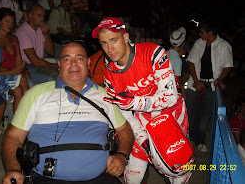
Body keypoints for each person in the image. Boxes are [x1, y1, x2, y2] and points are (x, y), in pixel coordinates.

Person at [1, 42, 134, 183]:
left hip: (99, 178)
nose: (74, 63)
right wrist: (13, 170)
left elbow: (125, 129)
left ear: (89, 63)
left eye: (79, 58)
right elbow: (13, 136)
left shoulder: (104, 96)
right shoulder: (35, 94)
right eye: (67, 59)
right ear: (59, 65)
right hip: (46, 178)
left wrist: (121, 155)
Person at [92, 17, 190, 184]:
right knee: (134, 175)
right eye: (104, 43)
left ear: (125, 37)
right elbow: (124, 113)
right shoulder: (109, 75)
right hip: (141, 122)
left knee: (178, 171)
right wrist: (141, 137)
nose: (109, 48)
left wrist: (133, 102)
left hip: (172, 119)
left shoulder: (153, 52)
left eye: (113, 40)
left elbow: (170, 97)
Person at [185, 20, 233, 152]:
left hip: (212, 85)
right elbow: (191, 63)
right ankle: (190, 139)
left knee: (204, 116)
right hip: (195, 83)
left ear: (210, 33)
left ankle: (200, 140)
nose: (199, 34)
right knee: (190, 113)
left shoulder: (223, 46)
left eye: (202, 32)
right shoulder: (198, 43)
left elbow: (228, 65)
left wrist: (220, 78)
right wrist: (196, 81)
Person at [0, 16, 27, 112]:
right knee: (22, 79)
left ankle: (17, 123)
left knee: (17, 90)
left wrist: (15, 72)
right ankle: (28, 113)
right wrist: (12, 72)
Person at [15, 4, 59, 87]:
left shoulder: (39, 29)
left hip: (38, 63)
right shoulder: (23, 32)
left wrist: (46, 34)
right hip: (27, 67)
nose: (42, 19)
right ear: (30, 15)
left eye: (43, 16)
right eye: (39, 16)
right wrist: (56, 66)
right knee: (55, 74)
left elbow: (51, 52)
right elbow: (35, 61)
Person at [0, 8, 30, 84]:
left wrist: (24, 70)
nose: (10, 25)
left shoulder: (14, 39)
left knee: (47, 79)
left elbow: (19, 62)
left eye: (12, 22)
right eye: (7, 21)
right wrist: (13, 72)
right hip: (3, 74)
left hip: (17, 72)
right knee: (26, 83)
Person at [167, 27, 189, 98]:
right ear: (183, 44)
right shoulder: (177, 59)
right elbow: (177, 80)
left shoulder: (165, 53)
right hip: (172, 93)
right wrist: (185, 77)